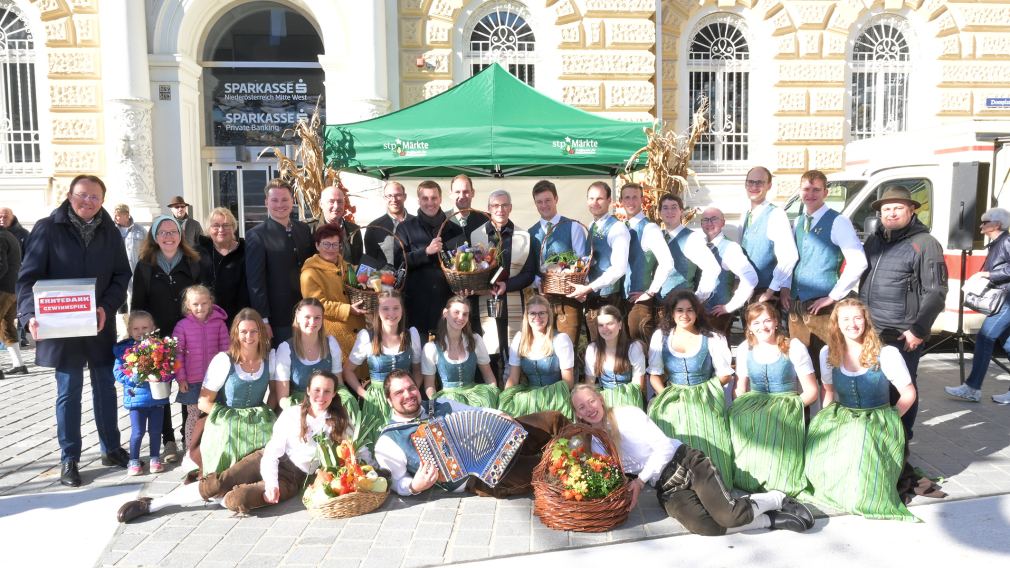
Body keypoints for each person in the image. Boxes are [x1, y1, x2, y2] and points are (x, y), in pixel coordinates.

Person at [117, 370, 369, 521]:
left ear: (334, 394)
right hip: (268, 459)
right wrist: (269, 482)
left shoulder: (338, 421)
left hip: (294, 477)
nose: (321, 397)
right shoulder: (293, 414)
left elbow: (353, 449)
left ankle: (215, 498)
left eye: (327, 392)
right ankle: (153, 504)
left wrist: (372, 468)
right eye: (317, 390)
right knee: (218, 482)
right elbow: (271, 453)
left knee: (239, 498)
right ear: (308, 390)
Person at [570, 385, 814, 535]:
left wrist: (641, 481)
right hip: (666, 487)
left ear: (600, 399)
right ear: (577, 414)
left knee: (728, 515)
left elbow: (664, 446)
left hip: (687, 463)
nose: (589, 408)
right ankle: (769, 520)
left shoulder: (627, 415)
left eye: (591, 401)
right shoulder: (595, 443)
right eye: (581, 407)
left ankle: (777, 498)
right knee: (705, 526)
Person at [17, 175, 133, 486]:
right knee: (69, 391)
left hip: (97, 323)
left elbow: (122, 275)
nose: (88, 202)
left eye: (95, 197)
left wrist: (106, 308)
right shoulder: (46, 228)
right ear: (70, 196)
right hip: (60, 326)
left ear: (102, 201)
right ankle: (70, 457)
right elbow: (27, 279)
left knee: (105, 388)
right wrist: (29, 315)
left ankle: (111, 447)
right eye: (82, 195)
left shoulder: (110, 232)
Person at [803, 299, 918, 521]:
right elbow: (828, 392)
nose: (852, 324)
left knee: (859, 440)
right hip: (844, 415)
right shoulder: (828, 352)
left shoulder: (886, 354)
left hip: (878, 418)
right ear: (836, 323)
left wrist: (891, 419)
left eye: (857, 318)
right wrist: (823, 424)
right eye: (845, 319)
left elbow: (909, 394)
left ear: (866, 321)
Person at [375, 370, 568, 497]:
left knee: (553, 419)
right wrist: (414, 486)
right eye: (399, 393)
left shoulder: (440, 405)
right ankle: (584, 472)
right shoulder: (389, 440)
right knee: (549, 471)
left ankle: (589, 454)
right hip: (480, 476)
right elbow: (397, 481)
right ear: (389, 400)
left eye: (411, 388)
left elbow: (477, 413)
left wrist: (499, 414)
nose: (408, 395)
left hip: (497, 440)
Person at [859, 186, 946, 438]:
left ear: (911, 210)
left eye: (898, 208)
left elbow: (936, 292)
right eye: (886, 208)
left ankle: (901, 442)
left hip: (902, 334)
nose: (891, 213)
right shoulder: (874, 240)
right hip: (872, 330)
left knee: (902, 389)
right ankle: (879, 438)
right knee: (876, 387)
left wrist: (918, 329)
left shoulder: (925, 244)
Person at [132, 215, 202, 463]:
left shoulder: (193, 262)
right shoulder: (145, 265)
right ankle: (168, 440)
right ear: (154, 236)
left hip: (189, 337)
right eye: (163, 232)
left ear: (180, 235)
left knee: (188, 390)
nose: (168, 237)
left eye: (173, 232)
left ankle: (188, 435)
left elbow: (201, 300)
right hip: (157, 340)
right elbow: (138, 304)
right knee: (160, 393)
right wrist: (141, 338)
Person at [647, 290, 735, 487]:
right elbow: (654, 375)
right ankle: (675, 482)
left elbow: (725, 374)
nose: (684, 315)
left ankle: (710, 482)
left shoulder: (712, 338)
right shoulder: (661, 337)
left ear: (697, 313)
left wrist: (702, 392)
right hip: (672, 396)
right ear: (671, 313)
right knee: (667, 419)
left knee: (706, 423)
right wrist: (667, 396)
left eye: (690, 310)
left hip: (704, 396)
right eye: (679, 310)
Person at [730, 302, 818, 496]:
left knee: (774, 425)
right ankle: (750, 477)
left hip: (786, 405)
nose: (763, 327)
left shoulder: (793, 346)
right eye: (756, 323)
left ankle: (779, 480)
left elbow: (812, 391)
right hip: (754, 404)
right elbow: (739, 388)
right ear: (749, 327)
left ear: (776, 322)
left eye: (767, 320)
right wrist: (742, 409)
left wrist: (790, 408)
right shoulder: (746, 348)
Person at [781, 170, 867, 350]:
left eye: (816, 190)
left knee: (828, 361)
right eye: (806, 189)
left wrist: (833, 296)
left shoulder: (838, 221)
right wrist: (786, 287)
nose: (810, 194)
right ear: (799, 192)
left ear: (825, 193)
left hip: (823, 306)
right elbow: (791, 259)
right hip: (796, 306)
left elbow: (858, 262)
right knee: (802, 362)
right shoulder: (798, 221)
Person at [196, 308, 278, 475]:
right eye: (244, 332)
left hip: (258, 417)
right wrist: (229, 417)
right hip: (228, 418)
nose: (249, 337)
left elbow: (275, 393)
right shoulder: (223, 361)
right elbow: (203, 402)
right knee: (232, 435)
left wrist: (266, 414)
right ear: (235, 333)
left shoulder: (269, 359)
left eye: (254, 331)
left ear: (261, 333)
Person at [273, 298, 362, 444]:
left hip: (329, 398)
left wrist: (345, 400)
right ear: (298, 318)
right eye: (307, 317)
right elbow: (282, 398)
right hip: (301, 402)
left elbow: (338, 382)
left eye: (317, 318)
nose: (312, 322)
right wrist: (300, 410)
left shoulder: (331, 344)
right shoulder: (286, 349)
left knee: (349, 403)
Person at [468, 189, 536, 377]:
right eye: (496, 205)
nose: (500, 209)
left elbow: (530, 273)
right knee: (488, 350)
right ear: (489, 208)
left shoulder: (524, 236)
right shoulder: (475, 236)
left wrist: (508, 285)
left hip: (511, 300)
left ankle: (511, 385)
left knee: (513, 349)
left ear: (511, 208)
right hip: (485, 301)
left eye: (505, 205)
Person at [946, 207, 1010, 405]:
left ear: (996, 225)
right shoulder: (998, 242)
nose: (981, 225)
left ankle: (973, 388)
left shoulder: (1006, 241)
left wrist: (988, 275)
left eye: (985, 221)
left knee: (985, 337)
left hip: (1007, 299)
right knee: (1007, 344)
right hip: (1005, 297)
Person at [343, 291, 422, 448]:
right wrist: (364, 394)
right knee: (379, 446)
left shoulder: (411, 335)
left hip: (406, 399)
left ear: (402, 310)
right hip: (377, 401)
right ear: (377, 311)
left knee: (409, 444)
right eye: (385, 308)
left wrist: (411, 392)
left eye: (395, 308)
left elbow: (417, 370)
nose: (391, 313)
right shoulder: (367, 337)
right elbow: (347, 371)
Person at [245, 179, 314, 347]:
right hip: (279, 318)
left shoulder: (304, 229)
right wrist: (263, 320)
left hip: (308, 312)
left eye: (285, 199)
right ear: (266, 202)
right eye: (274, 200)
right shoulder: (257, 235)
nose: (280, 204)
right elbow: (256, 282)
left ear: (293, 201)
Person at [397, 180, 464, 337]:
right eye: (425, 198)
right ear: (418, 200)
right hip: (416, 305)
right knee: (418, 357)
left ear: (440, 199)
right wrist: (426, 252)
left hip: (447, 304)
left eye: (434, 198)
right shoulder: (405, 228)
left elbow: (463, 266)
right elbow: (399, 262)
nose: (430, 203)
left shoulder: (454, 229)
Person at [528, 179, 588, 348]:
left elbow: (582, 261)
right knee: (545, 349)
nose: (544, 205)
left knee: (568, 348)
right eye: (539, 202)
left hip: (568, 299)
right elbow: (530, 267)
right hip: (542, 300)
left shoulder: (573, 227)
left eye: (548, 200)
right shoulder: (531, 233)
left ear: (556, 199)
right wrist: (538, 282)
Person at [567, 181, 630, 340]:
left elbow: (619, 269)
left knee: (610, 347)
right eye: (591, 198)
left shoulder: (618, 228)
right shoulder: (592, 225)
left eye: (600, 199)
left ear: (609, 200)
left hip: (609, 299)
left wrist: (588, 288)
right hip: (593, 298)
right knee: (594, 346)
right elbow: (590, 262)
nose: (595, 203)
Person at [171, 285, 229, 454]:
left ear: (211, 302)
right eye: (195, 304)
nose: (200, 308)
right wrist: (181, 378)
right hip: (192, 381)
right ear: (188, 305)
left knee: (214, 415)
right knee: (194, 417)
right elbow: (177, 355)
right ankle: (191, 450)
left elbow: (226, 350)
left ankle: (212, 449)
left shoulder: (219, 324)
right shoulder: (182, 326)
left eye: (204, 303)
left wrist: (226, 375)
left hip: (214, 381)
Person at [299, 223, 367, 363]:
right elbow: (317, 305)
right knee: (339, 373)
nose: (331, 249)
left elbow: (362, 280)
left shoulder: (346, 266)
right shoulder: (310, 273)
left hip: (358, 331)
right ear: (317, 246)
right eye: (326, 244)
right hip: (334, 334)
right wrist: (348, 309)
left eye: (335, 245)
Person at [500, 295, 575, 419]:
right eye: (532, 313)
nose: (537, 318)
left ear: (548, 315)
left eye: (541, 313)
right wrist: (505, 400)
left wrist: (549, 398)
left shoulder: (560, 339)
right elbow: (513, 378)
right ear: (526, 316)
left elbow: (568, 381)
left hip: (555, 395)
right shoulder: (519, 338)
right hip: (529, 395)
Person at [113, 311, 169, 475]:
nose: (141, 331)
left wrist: (163, 375)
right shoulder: (124, 350)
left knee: (155, 431)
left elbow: (170, 369)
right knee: (137, 432)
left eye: (145, 327)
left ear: (153, 328)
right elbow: (118, 373)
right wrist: (135, 377)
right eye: (136, 328)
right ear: (130, 330)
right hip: (136, 399)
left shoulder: (159, 348)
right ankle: (134, 461)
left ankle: (154, 458)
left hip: (157, 398)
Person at [619, 182, 674, 343]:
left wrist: (650, 291)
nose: (630, 201)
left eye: (635, 197)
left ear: (642, 199)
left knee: (642, 350)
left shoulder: (650, 229)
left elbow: (667, 262)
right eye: (627, 198)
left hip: (640, 303)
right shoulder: (622, 227)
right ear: (621, 201)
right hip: (622, 299)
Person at [422, 296, 498, 407]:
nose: (461, 317)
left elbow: (488, 375)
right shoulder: (431, 347)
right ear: (445, 313)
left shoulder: (475, 340)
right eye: (456, 312)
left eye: (465, 314)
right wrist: (436, 405)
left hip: (475, 397)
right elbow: (429, 385)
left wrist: (493, 395)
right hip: (449, 400)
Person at [738, 167, 798, 304]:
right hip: (748, 292)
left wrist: (771, 290)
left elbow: (789, 256)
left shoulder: (776, 214)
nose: (754, 186)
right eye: (750, 182)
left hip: (766, 294)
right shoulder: (745, 214)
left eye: (759, 182)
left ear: (769, 185)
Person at [699, 207, 758, 336]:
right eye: (705, 220)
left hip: (717, 315)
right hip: (700, 313)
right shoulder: (700, 245)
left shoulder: (730, 248)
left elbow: (751, 277)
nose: (709, 223)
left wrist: (730, 306)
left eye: (714, 219)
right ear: (701, 224)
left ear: (723, 223)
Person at [657, 194, 721, 305]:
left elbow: (712, 268)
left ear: (681, 211)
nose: (669, 212)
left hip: (681, 306)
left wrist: (697, 299)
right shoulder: (658, 237)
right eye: (665, 208)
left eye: (674, 207)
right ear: (659, 213)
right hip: (659, 304)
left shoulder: (691, 238)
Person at [583, 305, 646, 409]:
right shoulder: (593, 349)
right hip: (603, 400)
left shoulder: (633, 348)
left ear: (620, 324)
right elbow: (590, 383)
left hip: (629, 399)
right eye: (601, 325)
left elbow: (638, 385)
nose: (605, 329)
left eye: (610, 324)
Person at [197, 207, 249, 328]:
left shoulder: (246, 250)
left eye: (226, 225)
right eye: (216, 225)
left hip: (241, 318)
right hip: (208, 319)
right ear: (208, 229)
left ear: (233, 227)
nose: (221, 229)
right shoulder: (199, 252)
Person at [112, 203, 147, 335]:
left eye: (118, 215)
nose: (116, 218)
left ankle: (135, 327)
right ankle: (124, 329)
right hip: (118, 271)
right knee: (121, 299)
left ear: (126, 215)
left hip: (136, 270)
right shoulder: (112, 230)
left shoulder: (140, 230)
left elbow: (147, 248)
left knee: (135, 297)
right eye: (115, 215)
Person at [308, 184, 363, 264]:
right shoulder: (308, 229)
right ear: (321, 204)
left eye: (340, 202)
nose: (336, 206)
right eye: (331, 201)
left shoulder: (354, 230)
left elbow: (358, 261)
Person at [365, 180, 414, 266]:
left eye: (398, 195)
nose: (394, 199)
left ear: (405, 197)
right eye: (389, 196)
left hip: (415, 277)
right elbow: (371, 261)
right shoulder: (374, 228)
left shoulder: (418, 223)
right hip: (386, 278)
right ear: (384, 198)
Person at [0, 222, 25, 378]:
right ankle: (19, 364)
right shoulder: (9, 235)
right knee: (6, 326)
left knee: (6, 326)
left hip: (2, 288)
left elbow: (1, 266)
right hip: (12, 288)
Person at [448, 174, 489, 239]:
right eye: (457, 192)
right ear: (450, 194)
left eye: (466, 191)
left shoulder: (486, 220)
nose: (462, 196)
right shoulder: (442, 220)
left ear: (472, 193)